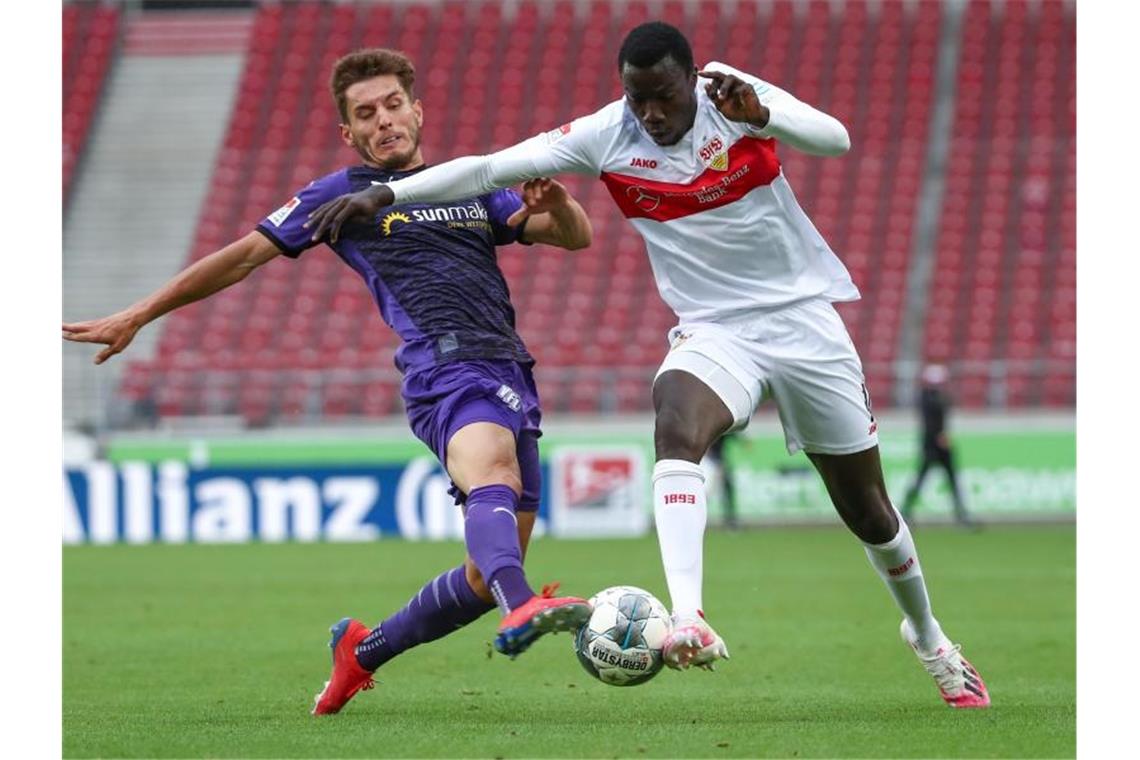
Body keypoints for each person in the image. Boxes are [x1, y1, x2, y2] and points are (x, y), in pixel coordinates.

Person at [306, 23, 991, 708]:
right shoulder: (606, 134)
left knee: (867, 511)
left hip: (805, 321)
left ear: (691, 80)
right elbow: (488, 168)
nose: (652, 115)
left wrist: (764, 114)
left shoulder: (733, 99)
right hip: (715, 330)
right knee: (675, 424)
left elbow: (836, 139)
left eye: (663, 98)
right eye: (639, 100)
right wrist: (387, 195)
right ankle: (688, 618)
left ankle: (928, 635)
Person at [61, 48, 596, 716]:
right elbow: (245, 256)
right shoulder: (342, 196)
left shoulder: (466, 183)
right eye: (366, 114)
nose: (384, 121)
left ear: (417, 109)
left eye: (393, 105)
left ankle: (360, 654)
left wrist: (562, 200)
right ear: (350, 134)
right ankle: (523, 610)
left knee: (482, 575)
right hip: (443, 367)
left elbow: (572, 236)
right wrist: (141, 312)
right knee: (494, 479)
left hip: (509, 368)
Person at [901, 364, 977, 528]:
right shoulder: (928, 399)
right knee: (927, 479)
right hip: (934, 445)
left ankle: (961, 514)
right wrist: (939, 437)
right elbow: (931, 423)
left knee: (942, 479)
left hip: (937, 444)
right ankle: (905, 512)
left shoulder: (932, 398)